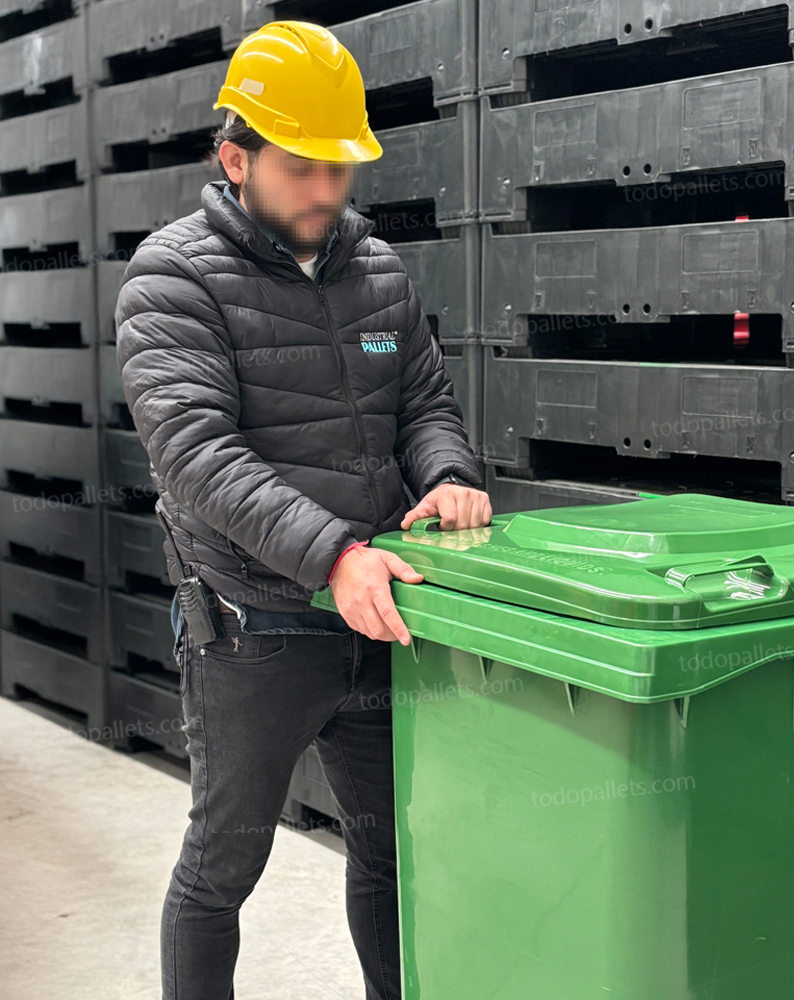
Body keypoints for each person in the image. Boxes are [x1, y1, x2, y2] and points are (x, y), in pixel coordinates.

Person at [114, 20, 490, 1000]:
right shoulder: (172, 278)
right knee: (222, 868)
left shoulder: (378, 271)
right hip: (255, 626)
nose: (327, 191)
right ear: (234, 158)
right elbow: (198, 456)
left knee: (392, 851)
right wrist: (332, 557)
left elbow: (423, 405)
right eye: (302, 169)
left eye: (339, 168)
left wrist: (446, 472)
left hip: (376, 614)